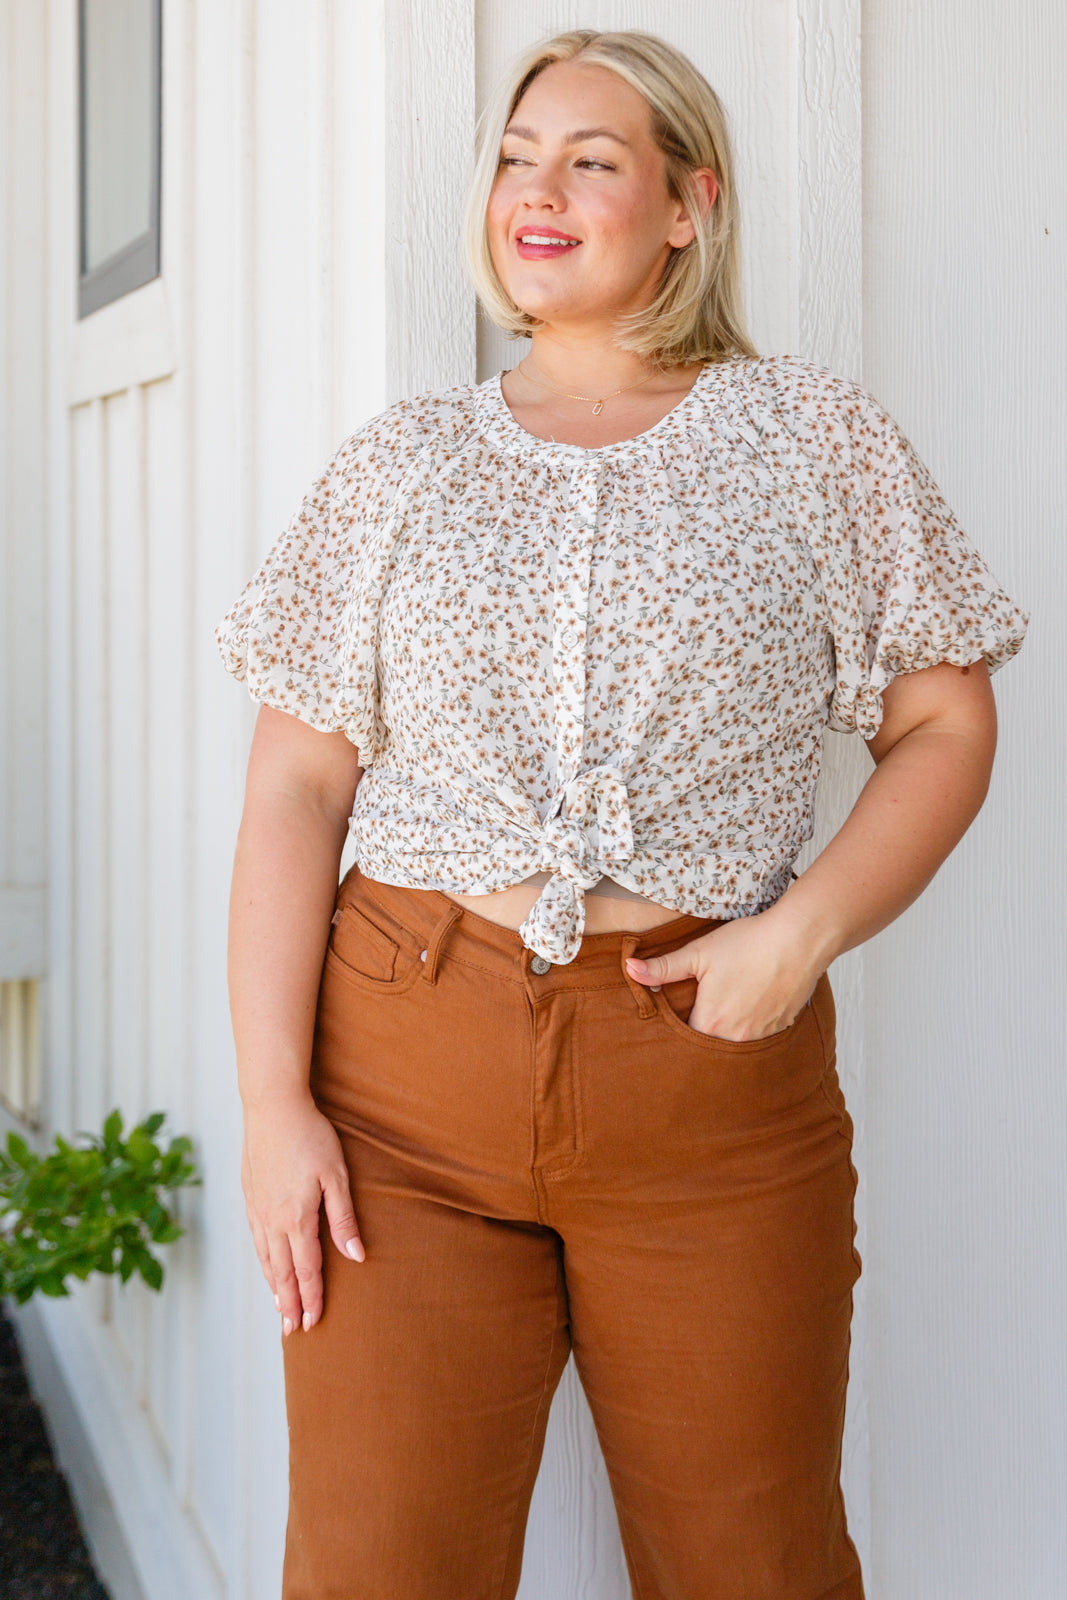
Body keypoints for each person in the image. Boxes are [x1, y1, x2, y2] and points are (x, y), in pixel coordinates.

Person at [216, 28, 1027, 1600]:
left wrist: (802, 935)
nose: (539, 190)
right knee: (380, 1568)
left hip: (710, 1086)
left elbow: (943, 723)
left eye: (592, 161)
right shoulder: (402, 463)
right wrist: (271, 1105)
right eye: (518, 158)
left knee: (755, 1565)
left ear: (687, 205)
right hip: (401, 1084)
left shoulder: (814, 439)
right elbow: (297, 788)